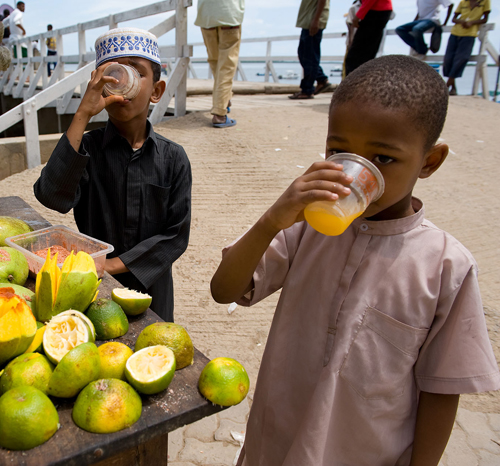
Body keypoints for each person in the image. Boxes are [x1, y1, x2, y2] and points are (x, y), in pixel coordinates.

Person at [211, 55, 500, 465]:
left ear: (429, 161)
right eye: (339, 150)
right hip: (273, 445)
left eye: (383, 158)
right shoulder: (305, 228)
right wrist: (270, 221)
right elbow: (224, 290)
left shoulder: (446, 266)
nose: (354, 174)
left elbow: (441, 388)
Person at [34, 28, 192, 323]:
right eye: (113, 72)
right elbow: (52, 196)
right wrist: (82, 114)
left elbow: (175, 236)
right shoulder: (88, 148)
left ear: (156, 91)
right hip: (93, 288)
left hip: (151, 290)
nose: (122, 81)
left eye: (136, 71)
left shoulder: (173, 158)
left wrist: (110, 265)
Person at [195, 0, 245, 127]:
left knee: (215, 61)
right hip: (229, 13)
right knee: (226, 65)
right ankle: (220, 113)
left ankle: (225, 100)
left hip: (206, 14)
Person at [444, 0, 491, 95]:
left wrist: (472, 22)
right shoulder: (463, 2)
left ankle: (446, 86)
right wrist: (462, 21)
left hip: (470, 34)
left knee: (462, 58)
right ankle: (453, 88)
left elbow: (485, 19)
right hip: (455, 32)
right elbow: (454, 19)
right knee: (449, 59)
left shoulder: (485, 1)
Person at [289, 0, 332, 100]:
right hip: (308, 21)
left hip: (313, 21)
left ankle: (307, 89)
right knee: (303, 54)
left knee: (310, 56)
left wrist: (316, 20)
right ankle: (321, 79)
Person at [344, 0, 393, 75]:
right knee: (368, 55)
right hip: (381, 11)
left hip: (375, 11)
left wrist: (358, 16)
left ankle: (354, 83)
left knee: (354, 57)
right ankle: (365, 81)